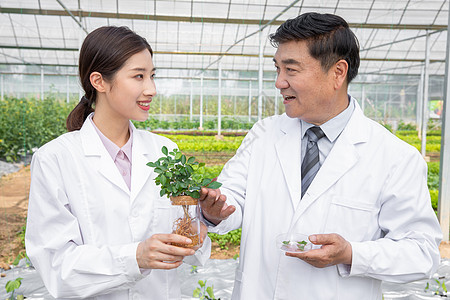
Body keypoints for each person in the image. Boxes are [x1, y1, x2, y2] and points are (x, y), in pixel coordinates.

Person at [199, 12, 442, 300]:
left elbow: (422, 252)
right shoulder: (264, 133)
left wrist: (351, 253)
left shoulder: (394, 156)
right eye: (278, 69)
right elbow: (233, 198)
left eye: (291, 70)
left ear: (338, 72)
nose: (279, 82)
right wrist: (214, 212)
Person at [25, 26, 210, 299]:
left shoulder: (165, 151)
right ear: (99, 81)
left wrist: (199, 224)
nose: (152, 89)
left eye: (152, 76)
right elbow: (55, 264)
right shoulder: (56, 159)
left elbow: (182, 233)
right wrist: (134, 257)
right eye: (139, 76)